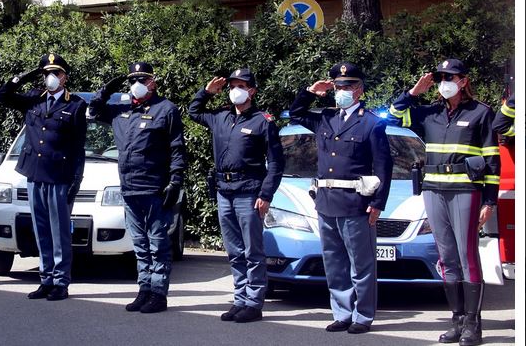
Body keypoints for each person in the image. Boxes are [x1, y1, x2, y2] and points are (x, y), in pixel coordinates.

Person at [388, 59, 499, 346]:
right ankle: (457, 321)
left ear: (463, 81)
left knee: (467, 256)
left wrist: (490, 201)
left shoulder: (480, 113)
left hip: (465, 191)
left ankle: (473, 326)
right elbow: (391, 116)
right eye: (440, 77)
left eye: (450, 77)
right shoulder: (429, 113)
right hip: (433, 190)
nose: (444, 82)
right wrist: (413, 93)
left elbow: (492, 161)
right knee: (446, 257)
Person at [290, 62, 393, 334]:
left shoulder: (371, 122)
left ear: (359, 90)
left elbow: (384, 166)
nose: (342, 90)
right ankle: (342, 313)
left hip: (355, 203)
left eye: (348, 86)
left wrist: (378, 203)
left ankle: (363, 316)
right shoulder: (325, 117)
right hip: (326, 202)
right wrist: (311, 91)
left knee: (361, 264)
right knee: (334, 263)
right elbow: (295, 113)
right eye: (338, 86)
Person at [188, 68, 284, 323]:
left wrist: (266, 194)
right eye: (232, 86)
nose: (235, 90)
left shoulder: (263, 121)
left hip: (249, 192)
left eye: (241, 86)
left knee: (252, 250)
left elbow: (275, 163)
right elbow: (193, 112)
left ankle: (253, 302)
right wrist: (207, 92)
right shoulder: (220, 117)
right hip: (224, 191)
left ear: (252, 90)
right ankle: (240, 299)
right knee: (233, 250)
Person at [91, 62, 186, 314]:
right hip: (129, 188)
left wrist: (175, 180)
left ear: (153, 82)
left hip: (154, 188)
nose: (137, 84)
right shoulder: (121, 111)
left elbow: (177, 148)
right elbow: (94, 110)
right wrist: (106, 89)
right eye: (133, 79)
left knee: (157, 244)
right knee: (140, 244)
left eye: (142, 79)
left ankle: (158, 293)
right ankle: (144, 289)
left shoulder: (166, 110)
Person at [0, 54, 88, 300]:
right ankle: (46, 279)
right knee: (41, 230)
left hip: (59, 176)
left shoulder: (75, 105)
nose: (51, 78)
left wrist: (75, 181)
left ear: (64, 78)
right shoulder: (33, 99)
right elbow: (2, 96)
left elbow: (79, 148)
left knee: (59, 233)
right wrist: (25, 75)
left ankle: (61, 282)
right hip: (34, 174)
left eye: (56, 73)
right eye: (47, 73)